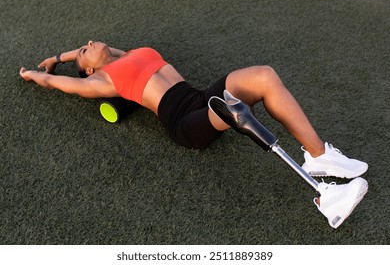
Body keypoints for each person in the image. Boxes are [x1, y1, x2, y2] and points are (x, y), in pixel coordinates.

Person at [20, 40, 368, 228]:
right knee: (231, 110)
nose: (90, 41)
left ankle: (319, 156)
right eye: (84, 51)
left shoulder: (125, 54)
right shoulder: (100, 80)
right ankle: (326, 198)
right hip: (183, 124)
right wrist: (36, 73)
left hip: (198, 96)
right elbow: (56, 80)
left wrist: (57, 55)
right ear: (90, 70)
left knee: (263, 75)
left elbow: (76, 55)